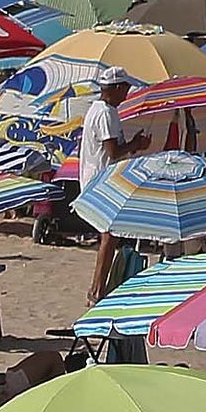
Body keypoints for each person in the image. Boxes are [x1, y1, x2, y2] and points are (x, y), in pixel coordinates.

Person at [79, 67, 144, 307]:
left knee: (111, 236)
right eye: (125, 88)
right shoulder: (105, 113)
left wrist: (135, 145)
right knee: (109, 235)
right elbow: (113, 151)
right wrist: (133, 145)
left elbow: (115, 149)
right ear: (116, 88)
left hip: (101, 179)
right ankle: (97, 290)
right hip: (101, 181)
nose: (127, 92)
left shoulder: (103, 110)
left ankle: (98, 289)